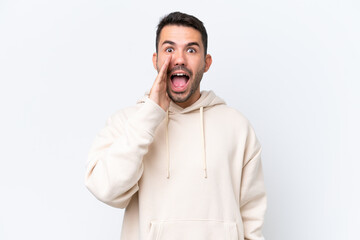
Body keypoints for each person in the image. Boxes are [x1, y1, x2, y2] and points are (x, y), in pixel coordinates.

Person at [85, 11, 267, 240]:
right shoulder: (128, 121)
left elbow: (252, 218)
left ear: (206, 62)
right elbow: (105, 189)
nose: (179, 59)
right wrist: (151, 115)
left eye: (191, 50)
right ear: (156, 60)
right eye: (169, 49)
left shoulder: (237, 127)